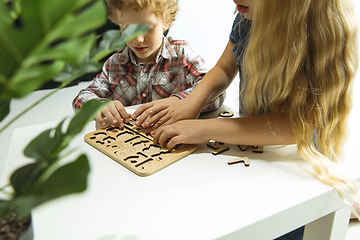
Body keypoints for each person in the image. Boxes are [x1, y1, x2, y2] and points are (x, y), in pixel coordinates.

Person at [141, 0, 360, 222]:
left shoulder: (321, 33)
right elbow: (224, 69)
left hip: (299, 163)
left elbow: (299, 125)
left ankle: (339, 206)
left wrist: (206, 128)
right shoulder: (246, 18)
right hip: (254, 150)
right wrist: (191, 102)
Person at [72, 0, 225, 128]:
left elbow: (217, 94)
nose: (138, 39)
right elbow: (81, 99)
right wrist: (98, 105)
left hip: (174, 146)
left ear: (166, 22)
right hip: (130, 150)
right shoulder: (115, 64)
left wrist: (179, 101)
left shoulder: (182, 54)